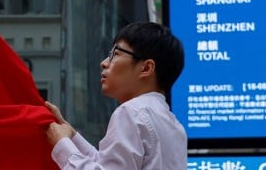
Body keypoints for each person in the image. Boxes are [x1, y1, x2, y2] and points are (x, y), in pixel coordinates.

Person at [45, 22, 186, 170]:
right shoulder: (174, 126)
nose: (104, 63)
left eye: (115, 54)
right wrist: (71, 135)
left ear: (146, 68)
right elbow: (107, 164)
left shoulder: (131, 112)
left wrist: (62, 144)